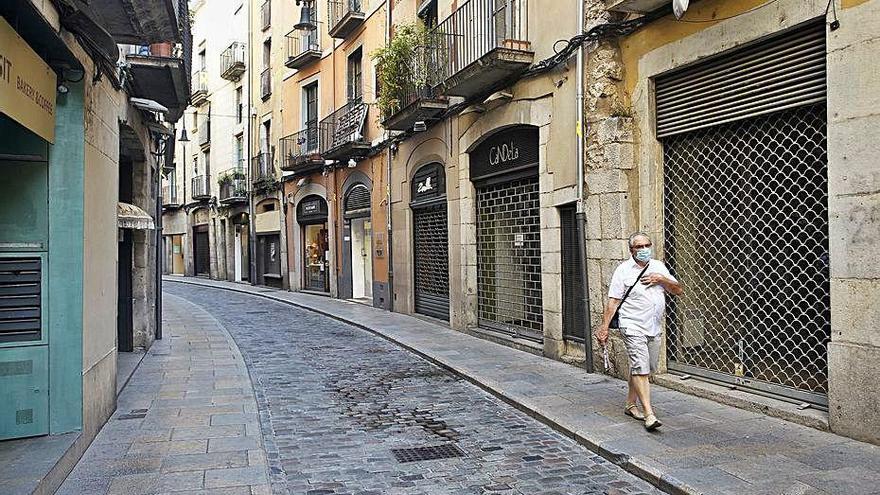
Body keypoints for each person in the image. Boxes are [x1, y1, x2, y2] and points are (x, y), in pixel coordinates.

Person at [595, 232, 683, 430]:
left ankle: (630, 404)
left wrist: (662, 279)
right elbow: (613, 301)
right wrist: (604, 327)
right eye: (639, 247)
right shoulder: (623, 270)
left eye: (647, 245)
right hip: (632, 324)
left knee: (645, 367)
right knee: (640, 367)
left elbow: (678, 290)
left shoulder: (658, 266)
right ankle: (649, 414)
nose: (644, 250)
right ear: (631, 250)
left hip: (654, 326)